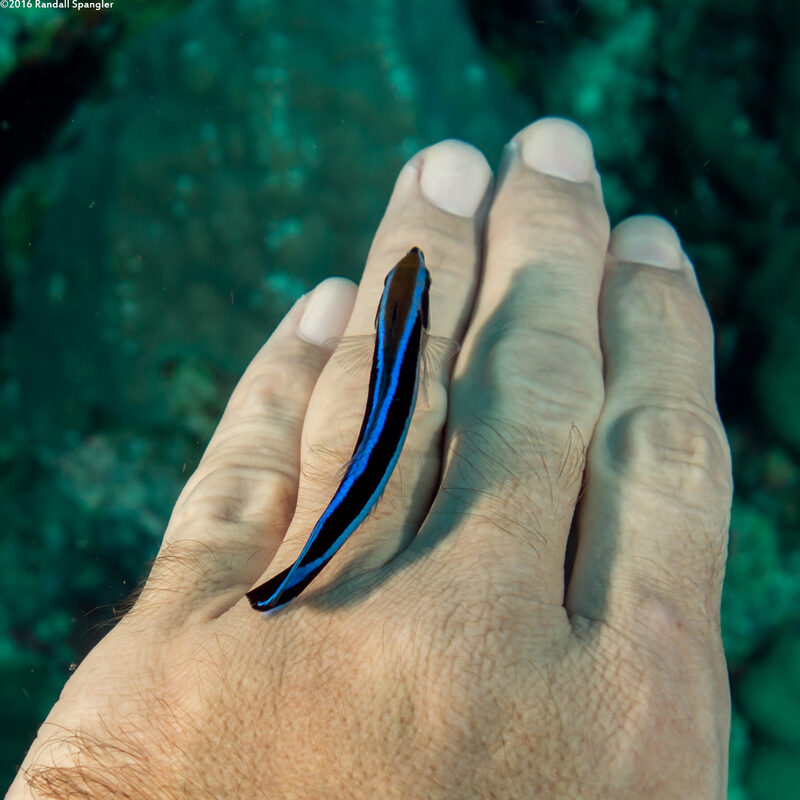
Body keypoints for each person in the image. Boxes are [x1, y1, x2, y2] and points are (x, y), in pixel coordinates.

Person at [8, 117, 732, 799]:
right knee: (369, 454)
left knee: (375, 449)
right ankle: (283, 589)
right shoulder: (406, 313)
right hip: (366, 448)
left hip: (376, 428)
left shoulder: (405, 309)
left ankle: (283, 589)